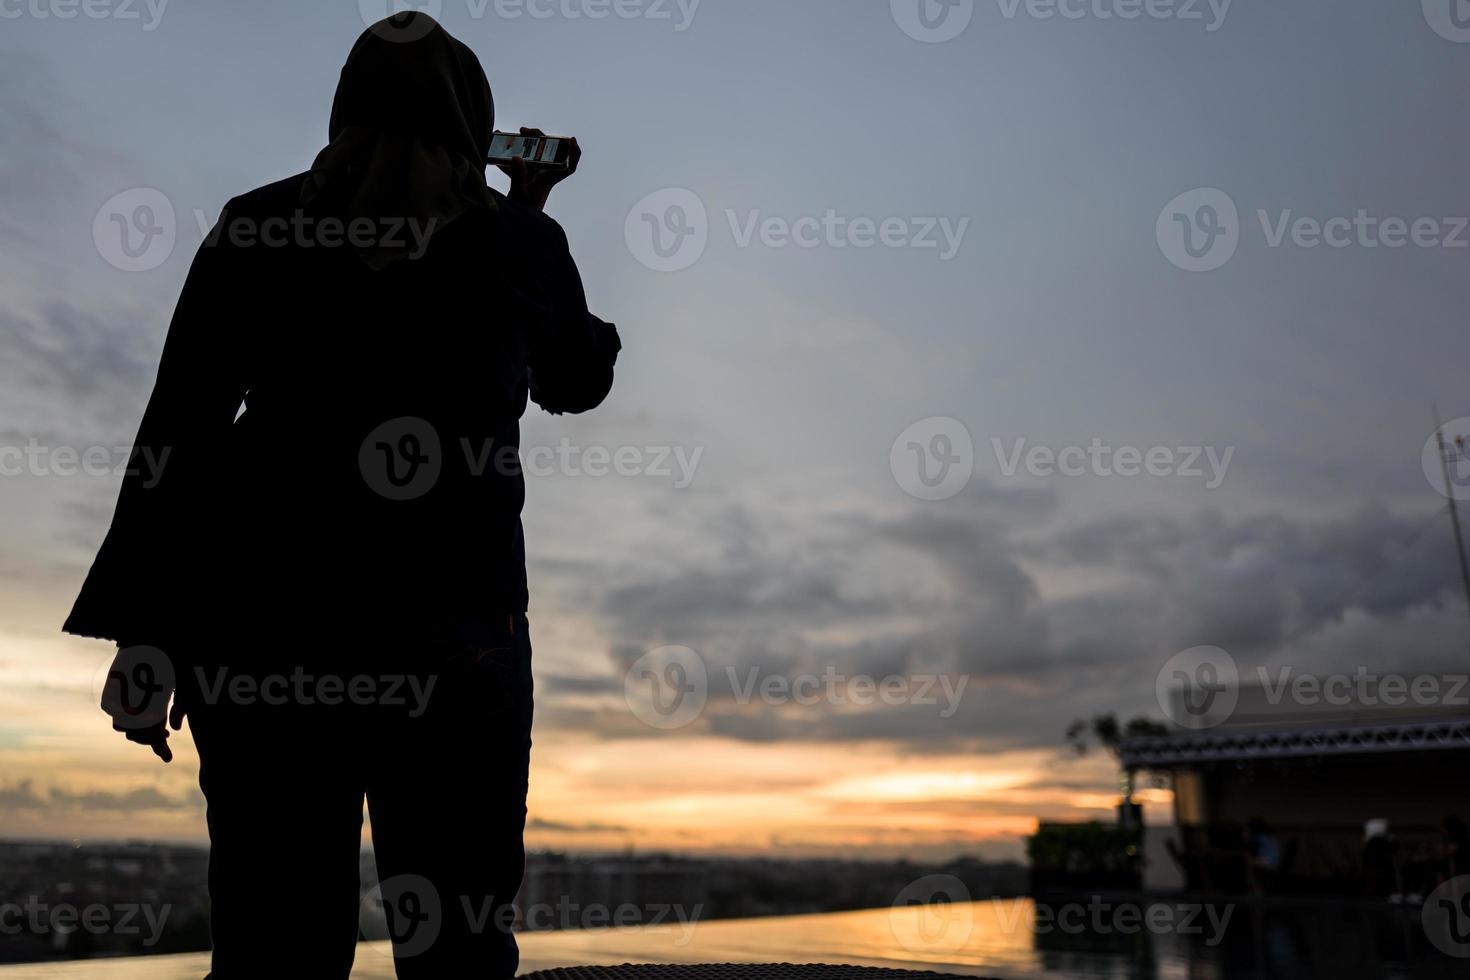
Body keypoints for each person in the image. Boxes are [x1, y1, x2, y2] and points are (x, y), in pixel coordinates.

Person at [64, 13, 620, 978]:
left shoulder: (259, 224)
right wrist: (529, 211)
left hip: (266, 638)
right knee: (457, 947)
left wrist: (143, 634)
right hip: (456, 645)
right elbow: (576, 379)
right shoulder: (512, 244)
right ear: (469, 120)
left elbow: (177, 437)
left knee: (274, 944)